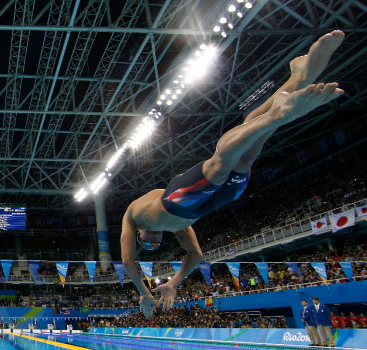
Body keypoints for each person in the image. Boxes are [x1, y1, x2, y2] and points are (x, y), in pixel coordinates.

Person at [120, 31, 347, 317]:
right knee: (250, 147)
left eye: (146, 241)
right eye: (155, 243)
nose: (151, 241)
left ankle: (285, 101)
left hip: (179, 198)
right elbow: (197, 256)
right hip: (220, 199)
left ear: (139, 234)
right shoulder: (180, 229)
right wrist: (173, 284)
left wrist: (144, 294)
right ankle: (293, 85)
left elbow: (128, 261)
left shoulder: (132, 214)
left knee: (221, 162)